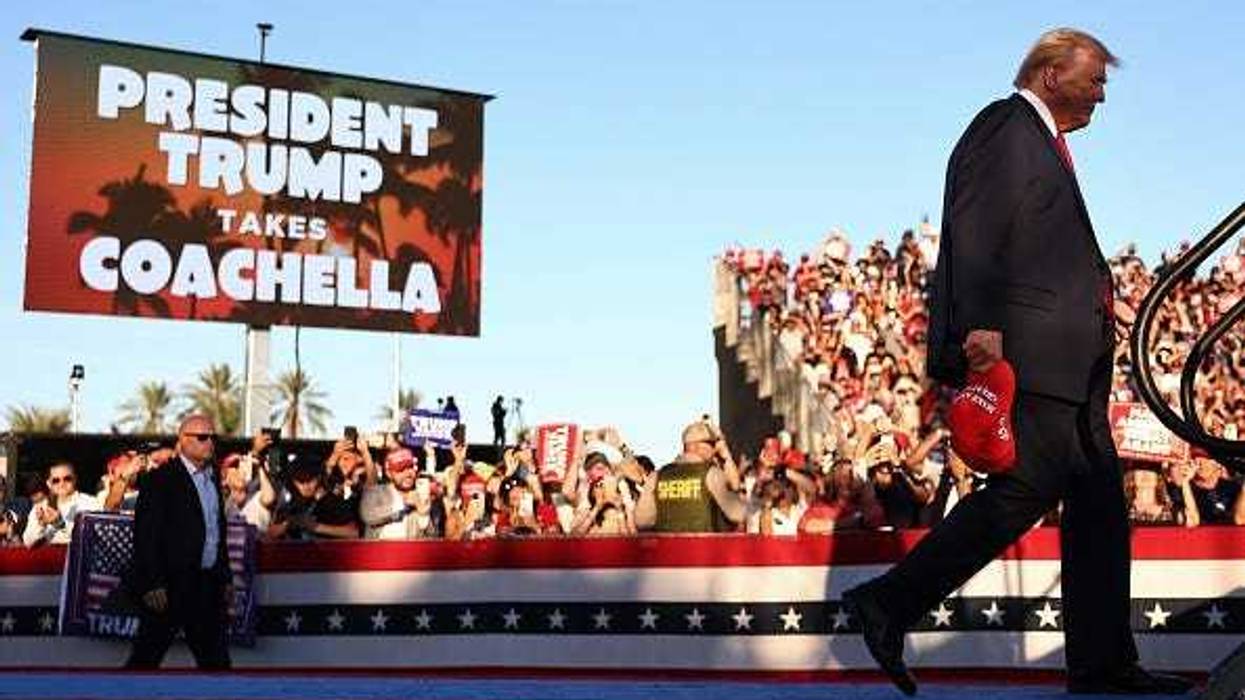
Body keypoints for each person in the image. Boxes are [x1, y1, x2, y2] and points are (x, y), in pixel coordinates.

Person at [843, 29, 1192, 695]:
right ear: (1049, 73)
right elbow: (975, 229)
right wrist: (980, 328)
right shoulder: (1004, 126)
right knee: (1031, 493)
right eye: (1094, 80)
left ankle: (1099, 664)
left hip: (1071, 358)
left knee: (1087, 505)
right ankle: (891, 602)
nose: (1101, 95)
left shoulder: (1042, 147)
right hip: (1031, 354)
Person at [125, 415, 231, 670]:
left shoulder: (213, 478)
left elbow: (216, 532)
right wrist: (152, 583)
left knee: (217, 663)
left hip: (205, 586)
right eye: (202, 437)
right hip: (169, 587)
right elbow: (146, 536)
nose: (210, 443)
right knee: (145, 659)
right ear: (182, 441)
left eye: (213, 438)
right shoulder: (160, 479)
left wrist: (225, 577)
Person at [634, 420, 745, 533]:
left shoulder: (657, 476)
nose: (715, 449)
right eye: (711, 444)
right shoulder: (711, 473)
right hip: (704, 548)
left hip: (668, 548)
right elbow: (738, 514)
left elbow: (641, 521)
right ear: (695, 446)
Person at [22, 462, 100, 547]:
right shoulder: (40, 507)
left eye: (67, 479)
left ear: (75, 479)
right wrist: (41, 525)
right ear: (49, 484)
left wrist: (59, 524)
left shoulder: (90, 503)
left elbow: (92, 538)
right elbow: (28, 542)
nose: (62, 483)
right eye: (56, 480)